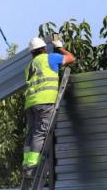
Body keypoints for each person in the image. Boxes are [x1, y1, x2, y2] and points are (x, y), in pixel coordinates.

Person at [23, 36, 75, 176]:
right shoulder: (50, 58)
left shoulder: (29, 66)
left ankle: (27, 162)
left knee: (32, 134)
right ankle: (32, 166)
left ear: (32, 52)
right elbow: (71, 58)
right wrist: (59, 47)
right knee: (40, 133)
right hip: (45, 101)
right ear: (44, 49)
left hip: (30, 103)